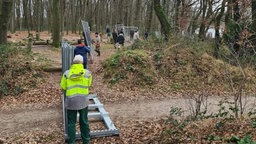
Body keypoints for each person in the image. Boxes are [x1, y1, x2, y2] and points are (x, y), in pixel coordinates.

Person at [60, 55, 92, 144]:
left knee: (71, 123)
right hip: (83, 101)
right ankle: (86, 141)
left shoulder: (66, 74)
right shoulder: (87, 73)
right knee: (84, 122)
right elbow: (89, 85)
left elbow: (63, 86)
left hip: (71, 102)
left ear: (73, 62)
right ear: (82, 62)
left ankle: (72, 142)